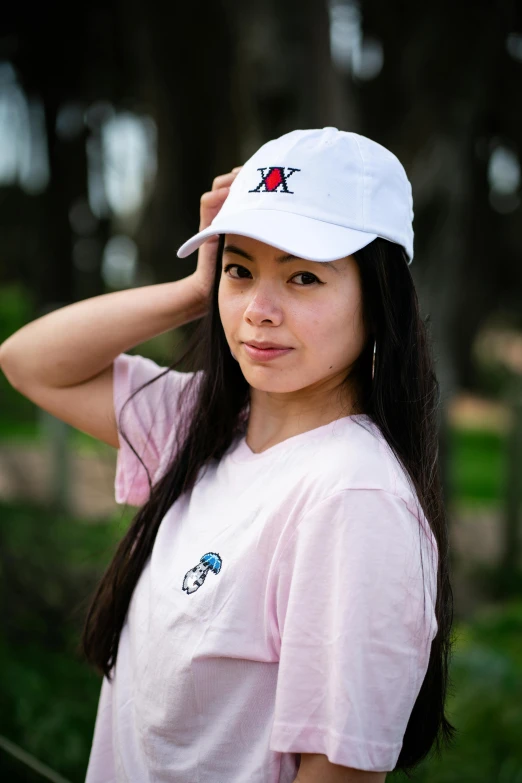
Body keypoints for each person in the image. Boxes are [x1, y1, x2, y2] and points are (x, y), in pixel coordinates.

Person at [0, 127, 455, 783]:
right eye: (241, 270)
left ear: (378, 298)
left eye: (303, 276)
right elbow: (29, 362)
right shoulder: (201, 425)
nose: (259, 312)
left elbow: (339, 775)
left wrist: (234, 274)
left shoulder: (352, 497)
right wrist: (196, 289)